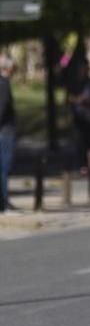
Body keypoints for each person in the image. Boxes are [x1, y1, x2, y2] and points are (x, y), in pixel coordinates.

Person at [0, 55, 16, 212]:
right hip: (5, 132)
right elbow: (2, 108)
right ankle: (3, 201)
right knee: (4, 168)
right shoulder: (3, 85)